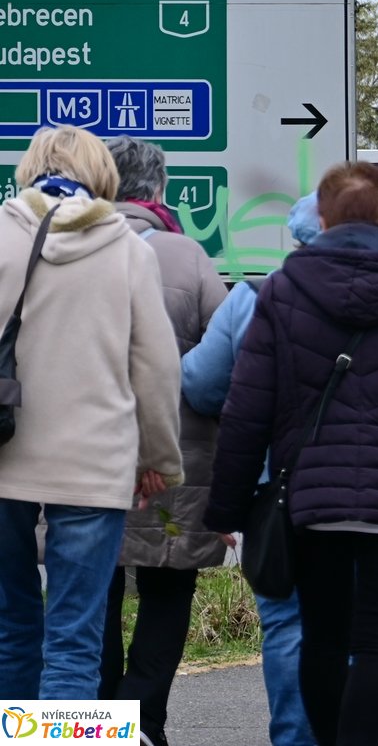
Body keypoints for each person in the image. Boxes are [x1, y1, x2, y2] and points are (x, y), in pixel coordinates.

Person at [206, 162, 378, 746]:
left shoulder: (281, 292)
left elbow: (246, 408)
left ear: (325, 219)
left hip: (311, 499)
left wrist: (231, 508)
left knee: (324, 637)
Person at [0, 127, 183, 702]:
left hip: (4, 459)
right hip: (95, 464)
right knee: (76, 637)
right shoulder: (129, 249)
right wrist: (158, 459)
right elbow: (155, 367)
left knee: (10, 627)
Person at [98, 137, 228, 746]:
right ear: (157, 190)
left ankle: (100, 722)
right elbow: (228, 360)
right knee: (168, 586)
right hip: (175, 462)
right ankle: (143, 718)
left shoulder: (71, 248)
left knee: (89, 591)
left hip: (86, 458)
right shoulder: (187, 256)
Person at [182, 194, 321, 746]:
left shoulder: (253, 297)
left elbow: (202, 384)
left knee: (288, 623)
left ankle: (295, 737)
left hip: (280, 488)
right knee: (367, 624)